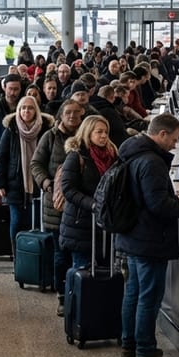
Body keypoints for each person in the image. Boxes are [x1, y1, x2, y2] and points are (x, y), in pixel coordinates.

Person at [117, 114, 179, 357]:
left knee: (133, 292)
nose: (175, 146)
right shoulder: (152, 161)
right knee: (149, 296)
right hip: (149, 238)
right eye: (174, 139)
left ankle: (128, 344)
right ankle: (146, 351)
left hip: (133, 234)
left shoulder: (132, 151)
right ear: (162, 134)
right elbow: (157, 204)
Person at [30, 100, 85, 292]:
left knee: (78, 253)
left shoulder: (85, 137)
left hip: (79, 205)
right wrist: (46, 183)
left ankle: (77, 293)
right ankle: (62, 293)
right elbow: (36, 164)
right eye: (68, 112)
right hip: (55, 204)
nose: (71, 116)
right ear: (61, 114)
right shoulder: (50, 137)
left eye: (76, 113)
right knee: (60, 252)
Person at [58, 115, 116, 284]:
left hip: (105, 225)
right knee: (82, 272)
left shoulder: (113, 154)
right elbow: (68, 189)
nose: (104, 136)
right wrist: (92, 205)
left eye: (106, 132)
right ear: (88, 132)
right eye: (99, 132)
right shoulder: (77, 157)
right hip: (81, 224)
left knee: (104, 274)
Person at [0, 95, 54, 245]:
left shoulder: (46, 130)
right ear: (18, 110)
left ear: (36, 110)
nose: (26, 111)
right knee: (16, 222)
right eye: (23, 108)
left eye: (30, 108)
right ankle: (18, 257)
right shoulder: (11, 129)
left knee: (35, 222)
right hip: (15, 183)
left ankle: (35, 257)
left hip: (39, 182)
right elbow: (2, 158)